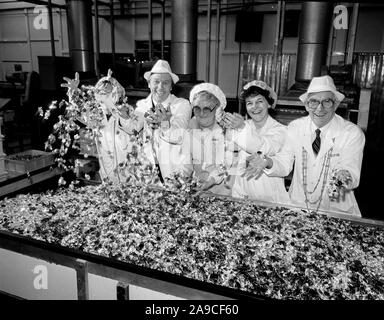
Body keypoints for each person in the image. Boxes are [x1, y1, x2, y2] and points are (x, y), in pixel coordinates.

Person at [246, 75, 365, 216]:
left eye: (326, 101)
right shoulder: (295, 127)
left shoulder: (351, 133)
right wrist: (268, 161)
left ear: (336, 104)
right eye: (313, 102)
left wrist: (342, 178)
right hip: (299, 207)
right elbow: (284, 163)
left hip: (336, 210)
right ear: (307, 105)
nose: (319, 108)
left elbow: (350, 170)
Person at [61, 70, 138, 183]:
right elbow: (78, 113)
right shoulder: (97, 116)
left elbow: (132, 127)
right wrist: (73, 93)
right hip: (108, 176)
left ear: (117, 94)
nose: (104, 97)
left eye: (108, 93)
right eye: (101, 93)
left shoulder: (128, 112)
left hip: (130, 177)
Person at [226, 80, 289, 204]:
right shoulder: (242, 126)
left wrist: (240, 129)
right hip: (241, 195)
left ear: (269, 104)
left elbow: (264, 147)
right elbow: (230, 159)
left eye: (259, 101)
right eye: (249, 103)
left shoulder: (281, 130)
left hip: (270, 200)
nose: (254, 107)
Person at [135, 59, 191, 180]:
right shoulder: (141, 106)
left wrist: (165, 123)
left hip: (173, 172)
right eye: (156, 82)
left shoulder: (182, 105)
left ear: (171, 86)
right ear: (149, 84)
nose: (160, 87)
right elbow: (132, 132)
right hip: (147, 174)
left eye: (165, 83)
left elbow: (179, 136)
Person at [180, 83, 234, 195]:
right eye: (197, 108)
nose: (201, 113)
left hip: (224, 190)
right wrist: (181, 179)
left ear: (218, 109)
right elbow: (186, 160)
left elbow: (225, 164)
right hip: (200, 189)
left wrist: (211, 180)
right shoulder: (191, 126)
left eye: (207, 109)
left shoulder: (227, 129)